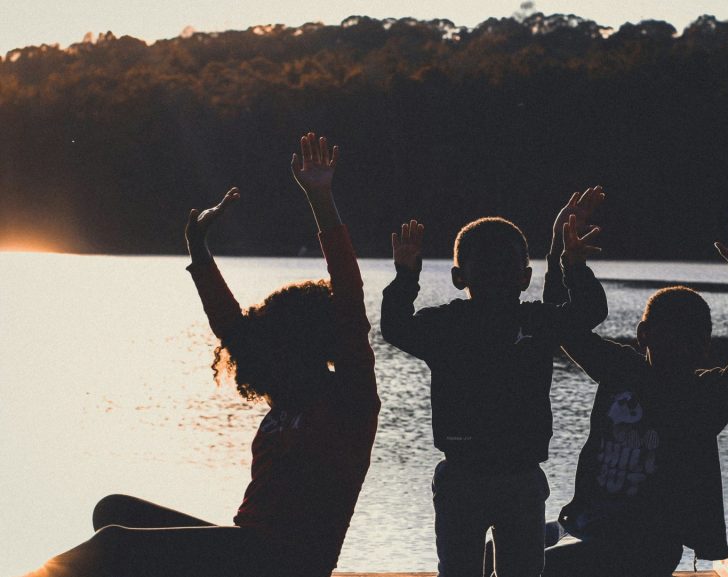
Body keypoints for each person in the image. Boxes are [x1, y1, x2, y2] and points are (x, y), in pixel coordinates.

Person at [22, 132, 379, 577]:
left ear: (303, 339)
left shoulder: (349, 398)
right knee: (113, 510)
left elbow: (348, 295)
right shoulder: (286, 392)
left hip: (286, 564)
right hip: (248, 549)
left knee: (113, 545)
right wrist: (198, 247)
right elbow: (232, 328)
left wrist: (321, 199)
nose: (261, 341)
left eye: (273, 332)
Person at [539, 207, 728, 577]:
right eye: (670, 335)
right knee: (495, 551)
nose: (679, 346)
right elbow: (561, 325)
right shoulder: (621, 370)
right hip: (585, 525)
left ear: (704, 348)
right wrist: (563, 257)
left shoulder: (703, 396)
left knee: (534, 567)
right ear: (644, 336)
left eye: (690, 339)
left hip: (648, 548)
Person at [380, 206, 607, 577]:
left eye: (504, 268)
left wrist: (407, 275)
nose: (497, 276)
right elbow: (590, 310)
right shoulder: (531, 322)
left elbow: (394, 325)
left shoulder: (454, 324)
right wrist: (574, 265)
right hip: (490, 478)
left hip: (493, 478)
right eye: (489, 268)